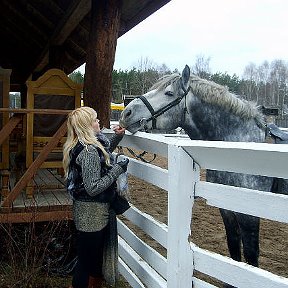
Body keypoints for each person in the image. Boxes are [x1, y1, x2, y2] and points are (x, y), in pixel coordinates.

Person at [63, 106, 129, 288]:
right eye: (95, 120)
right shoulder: (89, 151)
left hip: (86, 212)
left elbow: (102, 155)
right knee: (88, 263)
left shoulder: (83, 146)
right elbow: (93, 187)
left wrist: (117, 137)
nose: (98, 122)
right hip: (92, 214)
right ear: (86, 126)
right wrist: (118, 168)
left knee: (88, 259)